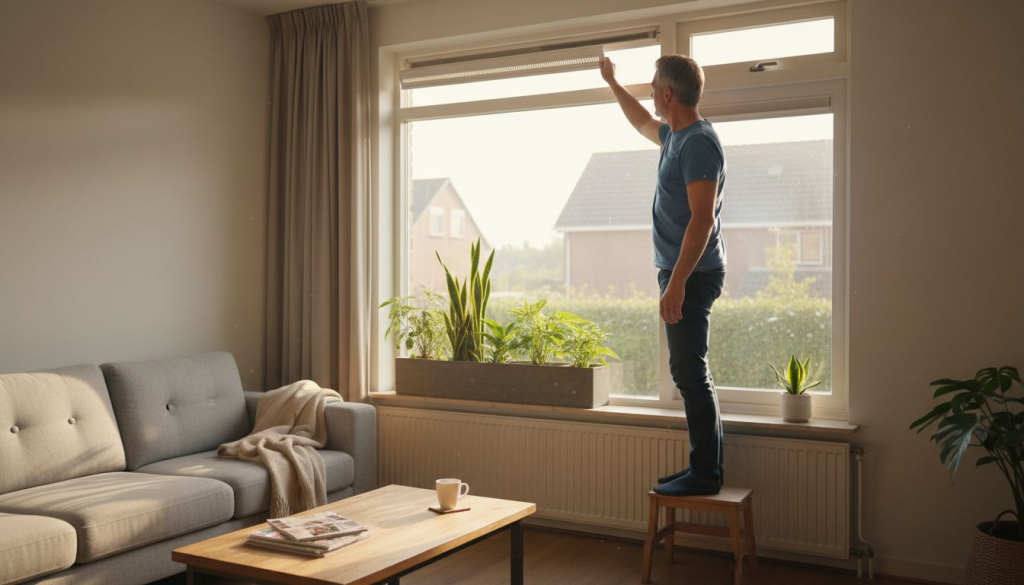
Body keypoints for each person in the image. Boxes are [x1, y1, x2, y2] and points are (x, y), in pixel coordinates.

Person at [600, 54, 727, 497]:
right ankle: (703, 467)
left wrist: (675, 285)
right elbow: (638, 120)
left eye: (654, 87)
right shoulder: (674, 135)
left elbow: (702, 220)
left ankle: (706, 475)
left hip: (691, 273)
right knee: (689, 369)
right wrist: (612, 83)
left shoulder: (697, 142)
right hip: (680, 273)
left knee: (690, 371)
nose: (651, 94)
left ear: (668, 94)